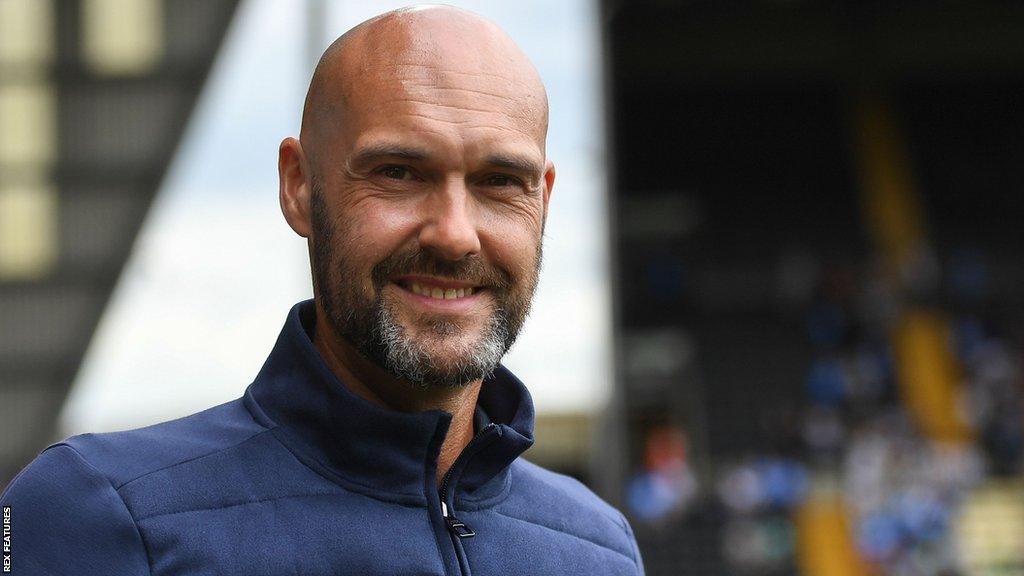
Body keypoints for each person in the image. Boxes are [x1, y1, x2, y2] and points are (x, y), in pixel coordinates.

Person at [0, 6, 644, 575]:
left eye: (501, 181)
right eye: (398, 172)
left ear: (545, 202)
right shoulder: (95, 511)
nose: (455, 235)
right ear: (299, 185)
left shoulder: (599, 547)